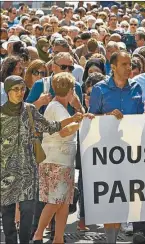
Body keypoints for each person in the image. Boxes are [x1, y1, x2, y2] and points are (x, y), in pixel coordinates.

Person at [0, 75, 82, 244]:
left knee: (28, 212)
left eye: (23, 89)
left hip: (29, 169)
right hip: (6, 171)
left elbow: (52, 126)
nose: (20, 92)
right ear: (7, 91)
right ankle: (17, 239)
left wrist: (73, 119)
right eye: (16, 89)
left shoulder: (29, 110)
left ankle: (30, 240)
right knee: (8, 215)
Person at [89, 51, 145, 243]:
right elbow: (90, 120)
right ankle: (110, 239)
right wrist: (106, 118)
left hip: (131, 153)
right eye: (124, 64)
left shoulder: (137, 88)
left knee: (126, 197)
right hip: (106, 153)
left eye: (130, 64)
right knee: (110, 197)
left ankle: (119, 230)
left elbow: (140, 119)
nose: (129, 68)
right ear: (113, 67)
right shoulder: (100, 89)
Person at [32, 72, 94, 244]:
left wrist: (78, 108)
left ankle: (58, 238)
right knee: (56, 201)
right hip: (57, 161)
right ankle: (38, 234)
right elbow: (65, 131)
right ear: (71, 89)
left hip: (60, 161)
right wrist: (79, 119)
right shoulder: (57, 108)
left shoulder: (58, 107)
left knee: (64, 203)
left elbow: (73, 121)